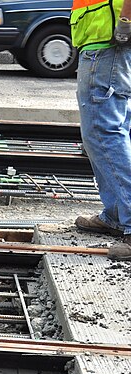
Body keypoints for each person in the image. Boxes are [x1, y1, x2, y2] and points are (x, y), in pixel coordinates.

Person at [72, 0, 131, 260]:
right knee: (112, 132)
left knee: (103, 134)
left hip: (108, 45)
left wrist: (126, 22)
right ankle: (117, 214)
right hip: (104, 45)